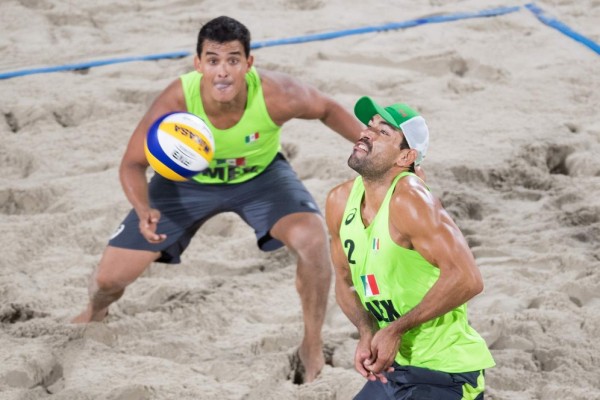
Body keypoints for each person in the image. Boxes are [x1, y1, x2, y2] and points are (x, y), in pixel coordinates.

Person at [72, 15, 363, 383]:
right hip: (184, 186)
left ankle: (312, 344)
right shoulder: (177, 100)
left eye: (233, 60)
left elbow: (329, 109)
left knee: (313, 240)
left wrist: (373, 151)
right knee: (108, 281)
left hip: (261, 177)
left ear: (248, 63)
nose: (222, 71)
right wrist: (144, 209)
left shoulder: (277, 94)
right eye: (213, 60)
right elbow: (131, 165)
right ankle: (95, 313)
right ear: (198, 64)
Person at [325, 96, 495, 399]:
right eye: (369, 126)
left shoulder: (411, 201)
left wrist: (394, 330)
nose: (366, 133)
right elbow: (346, 284)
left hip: (445, 371)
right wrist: (367, 331)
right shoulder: (339, 201)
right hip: (393, 368)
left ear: (406, 157)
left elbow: (468, 279)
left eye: (383, 132)